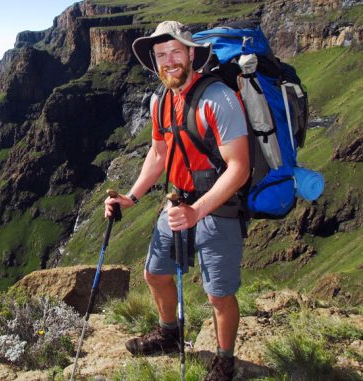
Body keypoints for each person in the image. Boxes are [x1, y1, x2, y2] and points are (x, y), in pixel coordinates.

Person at [104, 21, 250, 381]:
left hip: (217, 207)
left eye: (175, 52)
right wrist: (131, 198)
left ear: (191, 54)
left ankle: (224, 361)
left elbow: (240, 168)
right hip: (177, 203)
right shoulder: (161, 101)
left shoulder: (219, 99)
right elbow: (158, 154)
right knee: (155, 273)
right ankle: (170, 334)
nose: (168, 61)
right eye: (160, 55)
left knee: (218, 294)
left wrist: (198, 211)